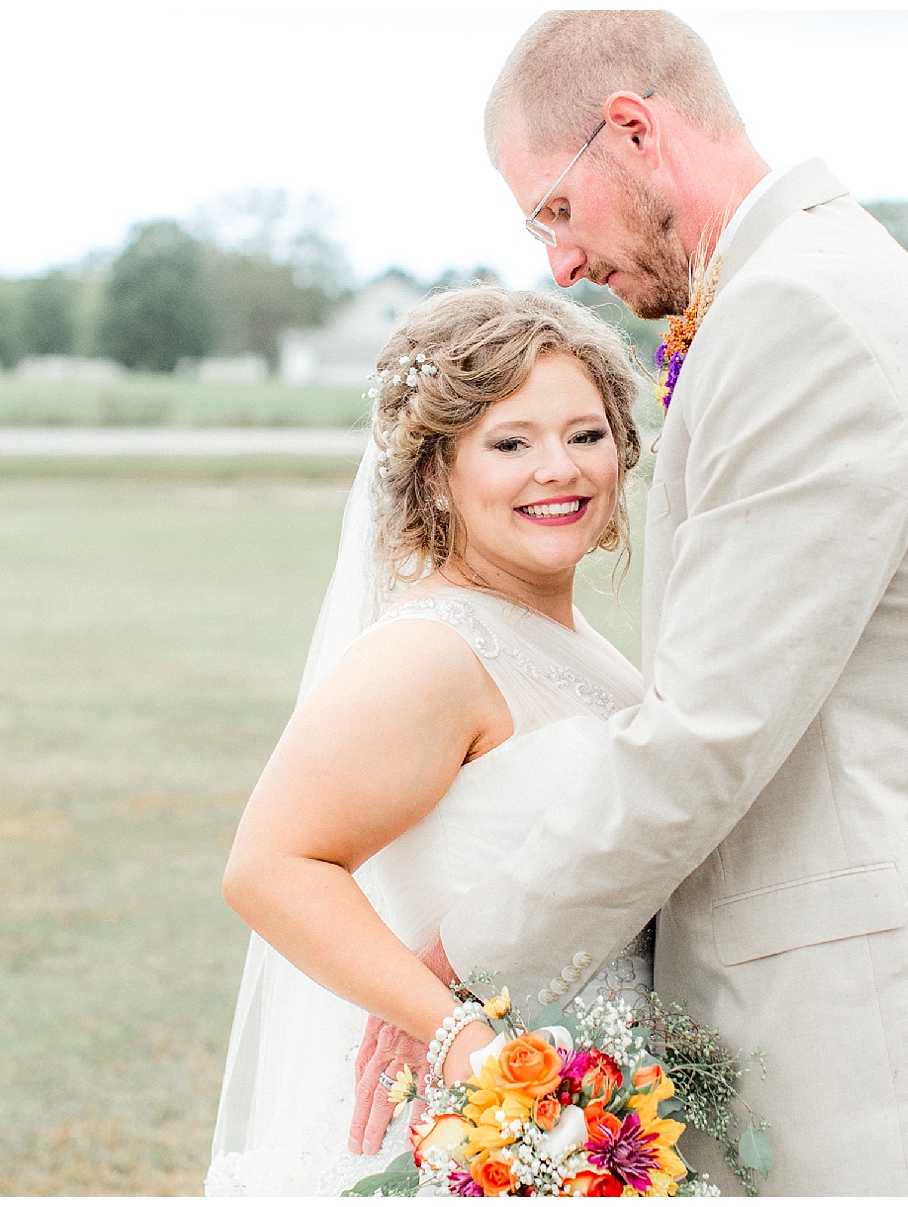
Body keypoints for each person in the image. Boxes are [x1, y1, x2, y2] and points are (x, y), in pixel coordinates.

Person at [350, 11, 908, 1195]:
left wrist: (459, 965)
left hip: (842, 1031)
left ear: (633, 131)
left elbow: (706, 731)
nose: (558, 265)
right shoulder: (814, 284)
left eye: (556, 210)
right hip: (842, 1004)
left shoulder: (799, 316)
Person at [204, 286, 657, 1195]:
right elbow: (271, 865)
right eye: (510, 443)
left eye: (585, 433)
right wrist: (460, 1039)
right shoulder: (432, 651)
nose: (558, 469)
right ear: (437, 472)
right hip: (477, 1132)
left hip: (596, 1124)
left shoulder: (577, 645)